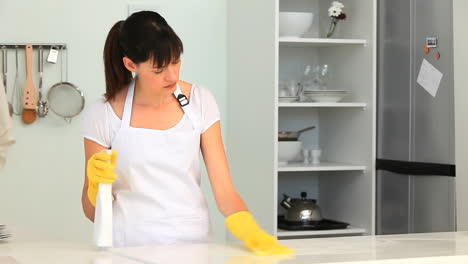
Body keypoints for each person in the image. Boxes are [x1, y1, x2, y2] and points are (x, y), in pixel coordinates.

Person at [81, 11, 292, 255]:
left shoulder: (200, 101)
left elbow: (224, 191)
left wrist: (250, 230)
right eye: (159, 69)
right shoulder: (105, 113)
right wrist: (95, 187)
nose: (172, 75)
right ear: (131, 65)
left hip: (193, 245)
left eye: (176, 61)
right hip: (128, 246)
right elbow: (90, 212)